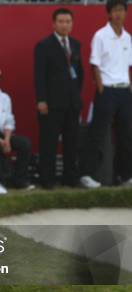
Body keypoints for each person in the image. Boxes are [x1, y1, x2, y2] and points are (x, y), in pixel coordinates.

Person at [79, 0, 132, 188]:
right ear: (108, 14)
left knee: (126, 135)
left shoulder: (127, 37)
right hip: (107, 90)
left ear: (126, 13)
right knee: (98, 134)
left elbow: (127, 66)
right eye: (115, 11)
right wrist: (101, 88)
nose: (118, 14)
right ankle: (87, 174)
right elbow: (95, 64)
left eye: (121, 10)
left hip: (124, 91)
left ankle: (124, 175)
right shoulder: (101, 35)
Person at [34, 8, 84, 189]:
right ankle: (47, 179)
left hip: (72, 103)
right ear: (54, 24)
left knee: (72, 142)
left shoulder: (76, 45)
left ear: (72, 24)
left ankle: (70, 177)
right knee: (49, 142)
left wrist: (77, 98)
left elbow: (80, 74)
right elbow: (39, 75)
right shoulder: (44, 46)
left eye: (68, 21)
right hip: (51, 104)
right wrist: (41, 100)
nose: (65, 25)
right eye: (61, 21)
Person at [0, 62, 34, 194]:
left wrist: (7, 140)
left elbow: (9, 121)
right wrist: (1, 141)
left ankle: (19, 180)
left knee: (24, 144)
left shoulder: (5, 98)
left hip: (3, 135)